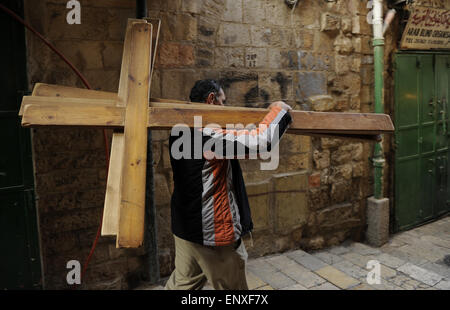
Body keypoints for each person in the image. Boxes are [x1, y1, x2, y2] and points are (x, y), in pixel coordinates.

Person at [165, 79, 292, 290]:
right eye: (222, 102)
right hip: (212, 233)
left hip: (186, 228)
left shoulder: (181, 130)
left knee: (182, 285)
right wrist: (280, 110)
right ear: (211, 100)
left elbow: (237, 138)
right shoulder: (208, 134)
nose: (224, 108)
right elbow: (261, 142)